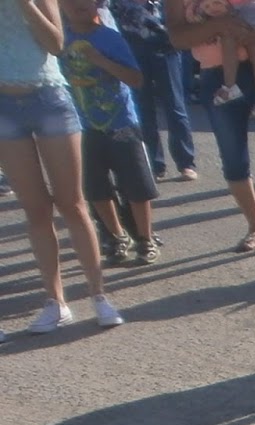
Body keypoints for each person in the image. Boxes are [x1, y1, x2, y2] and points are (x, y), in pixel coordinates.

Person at [0, 0, 123, 335]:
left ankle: (99, 295)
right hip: (4, 107)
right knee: (36, 209)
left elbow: (55, 43)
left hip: (48, 98)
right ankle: (55, 302)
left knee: (72, 203)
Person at [164, 0, 255, 251]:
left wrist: (241, 31)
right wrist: (221, 24)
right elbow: (177, 38)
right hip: (215, 75)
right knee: (233, 157)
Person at [61, 0, 162, 264]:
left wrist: (100, 60)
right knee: (95, 187)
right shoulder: (59, 39)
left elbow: (136, 79)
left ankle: (145, 238)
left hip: (121, 124)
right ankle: (117, 236)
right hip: (81, 125)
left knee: (136, 185)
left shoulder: (110, 37)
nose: (78, 5)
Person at [110, 0, 198, 179]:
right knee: (142, 108)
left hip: (166, 48)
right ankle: (154, 164)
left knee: (175, 106)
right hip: (132, 49)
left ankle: (186, 163)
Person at [203, 0, 255, 115]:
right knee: (252, 56)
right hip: (246, 12)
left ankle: (235, 88)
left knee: (249, 53)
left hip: (252, 12)